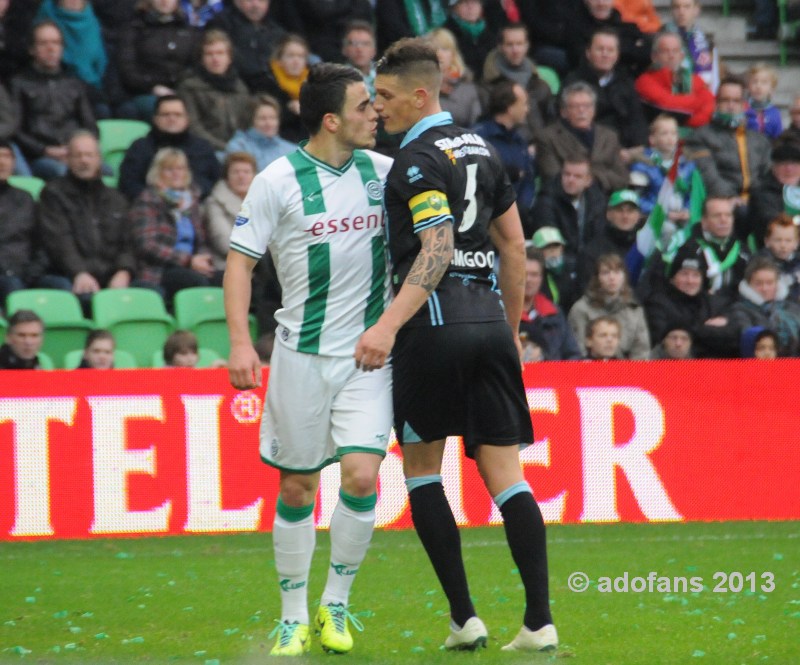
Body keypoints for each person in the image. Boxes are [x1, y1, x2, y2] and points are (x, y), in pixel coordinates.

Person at [356, 38, 557, 653]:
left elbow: (436, 248)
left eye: (385, 97)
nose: (377, 107)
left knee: (422, 474)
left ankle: (464, 618)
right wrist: (514, 330)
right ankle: (538, 622)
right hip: (492, 325)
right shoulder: (484, 148)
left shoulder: (416, 159)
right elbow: (516, 247)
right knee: (507, 476)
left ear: (421, 94)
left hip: (432, 330)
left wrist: (388, 324)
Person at [224, 63, 393, 656]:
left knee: (363, 474)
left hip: (367, 360)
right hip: (299, 355)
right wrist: (242, 342)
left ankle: (336, 604)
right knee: (297, 488)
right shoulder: (276, 181)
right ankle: (293, 614)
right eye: (363, 106)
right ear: (331, 119)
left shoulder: (386, 174)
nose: (375, 114)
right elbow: (240, 262)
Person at [38, 131, 134, 312]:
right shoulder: (53, 194)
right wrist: (79, 273)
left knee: (148, 293)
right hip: (68, 274)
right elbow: (59, 241)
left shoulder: (116, 199)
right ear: (67, 159)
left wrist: (124, 271)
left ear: (99, 159)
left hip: (111, 275)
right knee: (87, 300)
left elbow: (128, 242)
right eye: (78, 155)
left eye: (89, 155)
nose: (84, 161)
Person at [10, 20, 98, 180]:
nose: (51, 49)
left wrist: (77, 150)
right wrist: (45, 150)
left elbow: (90, 124)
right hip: (39, 157)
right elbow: (15, 130)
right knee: (62, 173)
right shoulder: (19, 83)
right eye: (44, 43)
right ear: (32, 49)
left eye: (56, 43)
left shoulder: (73, 82)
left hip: (74, 153)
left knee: (105, 171)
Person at [129, 147, 219, 301]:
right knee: (196, 282)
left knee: (226, 280)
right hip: (160, 269)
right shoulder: (148, 200)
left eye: (180, 168)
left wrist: (203, 259)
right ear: (158, 173)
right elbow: (147, 246)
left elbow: (202, 240)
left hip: (193, 264)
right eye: (169, 169)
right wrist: (188, 260)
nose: (176, 173)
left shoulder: (192, 201)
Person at [643, 241, 740, 357]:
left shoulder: (713, 303)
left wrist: (689, 332)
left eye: (696, 275)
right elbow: (664, 339)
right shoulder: (658, 303)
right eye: (684, 274)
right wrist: (705, 330)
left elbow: (733, 337)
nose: (690, 281)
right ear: (673, 278)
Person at [684, 78, 771, 206]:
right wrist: (730, 197)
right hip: (720, 202)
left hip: (756, 202)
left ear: (743, 105)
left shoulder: (759, 139)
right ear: (716, 103)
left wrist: (760, 199)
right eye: (725, 100)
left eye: (736, 101)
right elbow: (709, 176)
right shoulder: (700, 137)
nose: (731, 106)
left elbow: (767, 174)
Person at [118, 95, 221, 201]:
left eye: (178, 115)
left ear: (187, 119)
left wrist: (193, 194)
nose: (172, 119)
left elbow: (216, 181)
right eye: (165, 115)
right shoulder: (140, 147)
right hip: (152, 208)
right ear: (155, 119)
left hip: (199, 206)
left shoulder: (202, 147)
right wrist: (161, 198)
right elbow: (129, 184)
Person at [563, 27, 648, 153]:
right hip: (588, 151)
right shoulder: (573, 82)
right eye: (600, 49)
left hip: (625, 151)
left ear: (617, 55)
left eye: (610, 50)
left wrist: (636, 148)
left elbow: (636, 119)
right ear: (588, 53)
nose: (605, 54)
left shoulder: (626, 81)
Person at [536, 81, 629, 194]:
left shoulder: (609, 136)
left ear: (594, 109)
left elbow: (622, 178)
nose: (582, 111)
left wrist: (589, 178)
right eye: (575, 106)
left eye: (587, 106)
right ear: (563, 111)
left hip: (605, 198)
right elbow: (553, 176)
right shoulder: (548, 137)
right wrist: (594, 176)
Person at [116, 0, 198, 122]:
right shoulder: (135, 27)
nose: (165, 1)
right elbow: (127, 69)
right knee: (164, 110)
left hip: (182, 89)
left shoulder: (187, 29)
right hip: (144, 92)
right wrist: (152, 87)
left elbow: (194, 65)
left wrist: (182, 87)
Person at [176, 30, 253, 155]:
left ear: (229, 58)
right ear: (201, 59)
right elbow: (193, 126)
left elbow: (248, 123)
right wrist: (225, 147)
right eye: (209, 54)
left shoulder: (240, 87)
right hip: (206, 150)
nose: (215, 59)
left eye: (220, 53)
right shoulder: (190, 88)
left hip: (241, 149)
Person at [482, 22, 556, 144]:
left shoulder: (541, 86)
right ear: (500, 47)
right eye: (510, 44)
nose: (515, 50)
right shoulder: (489, 87)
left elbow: (552, 123)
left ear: (527, 46)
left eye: (519, 44)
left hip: (542, 149)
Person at [473, 79, 535, 222]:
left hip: (517, 218)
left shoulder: (520, 141)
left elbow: (528, 179)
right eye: (524, 104)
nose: (527, 109)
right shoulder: (478, 138)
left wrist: (522, 209)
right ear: (510, 107)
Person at [568, 252, 651, 358]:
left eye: (617, 272)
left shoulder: (634, 310)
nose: (612, 278)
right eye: (606, 273)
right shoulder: (581, 309)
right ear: (597, 278)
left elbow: (642, 350)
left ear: (624, 276)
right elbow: (577, 350)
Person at [34, 0, 109, 117]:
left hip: (95, 87)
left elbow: (100, 61)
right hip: (57, 88)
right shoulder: (47, 15)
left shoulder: (92, 19)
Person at [0, 140, 52, 302]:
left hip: (25, 274)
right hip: (8, 279)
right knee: (12, 286)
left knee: (62, 287)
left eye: (7, 156)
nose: (2, 162)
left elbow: (42, 244)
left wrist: (30, 275)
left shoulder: (25, 199)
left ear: (14, 163)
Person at [634, 31, 714, 129]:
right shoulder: (644, 81)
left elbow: (710, 106)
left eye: (675, 51)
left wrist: (689, 121)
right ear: (654, 57)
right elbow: (669, 106)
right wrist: (697, 103)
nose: (671, 56)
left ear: (682, 56)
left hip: (695, 135)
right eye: (665, 51)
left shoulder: (694, 79)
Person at [530, 156, 608, 256]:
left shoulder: (597, 200)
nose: (570, 180)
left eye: (577, 176)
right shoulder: (546, 200)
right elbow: (551, 244)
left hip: (590, 261)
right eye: (567, 174)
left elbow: (599, 238)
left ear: (588, 180)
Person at [207, 0, 286, 94]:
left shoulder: (278, 33)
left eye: (261, 1)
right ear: (237, 2)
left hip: (271, 92)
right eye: (250, 0)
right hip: (231, 88)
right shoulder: (222, 24)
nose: (255, 5)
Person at [728, 255, 800, 357]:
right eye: (758, 284)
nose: (765, 288)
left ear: (777, 283)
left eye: (770, 283)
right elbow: (750, 342)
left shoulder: (792, 307)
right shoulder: (740, 310)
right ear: (749, 285)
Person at [520, 247, 583, 360]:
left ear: (541, 278)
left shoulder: (554, 313)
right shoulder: (500, 313)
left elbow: (573, 355)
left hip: (552, 376)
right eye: (523, 274)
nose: (528, 280)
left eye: (534, 275)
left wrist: (543, 357)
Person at [578, 188, 642, 287]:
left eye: (630, 211)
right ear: (609, 214)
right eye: (619, 210)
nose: (625, 216)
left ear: (638, 216)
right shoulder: (593, 250)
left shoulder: (644, 248)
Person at [204, 152, 257, 270]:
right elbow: (224, 241)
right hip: (229, 265)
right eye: (236, 172)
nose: (241, 176)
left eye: (246, 172)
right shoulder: (215, 203)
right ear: (227, 177)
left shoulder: (266, 201)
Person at [256, 34, 311, 144]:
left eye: (300, 56)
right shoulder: (267, 84)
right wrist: (289, 110)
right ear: (279, 60)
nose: (296, 61)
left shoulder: (314, 85)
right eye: (290, 56)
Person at [746, 139, 800, 247]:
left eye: (794, 164)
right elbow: (769, 220)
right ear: (774, 167)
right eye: (783, 164)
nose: (789, 169)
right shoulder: (762, 192)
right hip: (775, 248)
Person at [225, 95, 297, 173]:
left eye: (273, 118)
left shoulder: (292, 150)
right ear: (251, 121)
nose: (269, 123)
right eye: (262, 118)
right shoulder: (239, 147)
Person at [427, 28, 482, 128]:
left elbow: (476, 124)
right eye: (433, 49)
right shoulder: (419, 86)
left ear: (453, 54)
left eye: (444, 49)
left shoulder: (467, 86)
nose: (439, 54)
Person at [663, 0, 718, 93]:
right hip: (669, 92)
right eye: (677, 7)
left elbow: (714, 78)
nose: (681, 12)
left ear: (696, 10)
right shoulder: (661, 36)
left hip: (698, 93)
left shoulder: (706, 40)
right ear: (671, 10)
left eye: (686, 7)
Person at [530, 226, 581, 312]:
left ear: (562, 248)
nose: (553, 251)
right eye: (547, 247)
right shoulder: (532, 274)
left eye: (556, 246)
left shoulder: (572, 268)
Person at [757, 214, 800, 302]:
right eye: (778, 240)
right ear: (767, 241)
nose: (783, 245)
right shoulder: (760, 263)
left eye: (788, 240)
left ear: (796, 243)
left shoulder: (797, 263)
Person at [744, 63, 782, 140]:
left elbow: (778, 137)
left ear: (771, 89)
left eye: (764, 82)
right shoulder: (743, 109)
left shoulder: (775, 113)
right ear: (748, 86)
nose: (758, 86)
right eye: (754, 82)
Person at [342, 20, 378, 97]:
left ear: (374, 51)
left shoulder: (386, 77)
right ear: (344, 50)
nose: (359, 49)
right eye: (354, 44)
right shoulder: (338, 81)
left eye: (365, 44)